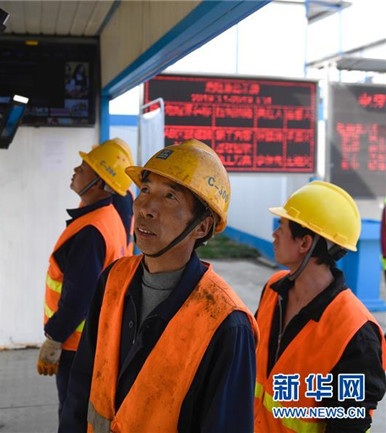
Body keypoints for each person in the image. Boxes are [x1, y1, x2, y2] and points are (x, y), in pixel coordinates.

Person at [60, 139, 259, 432]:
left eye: (170, 196)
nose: (146, 207)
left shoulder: (226, 323)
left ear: (202, 226)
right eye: (145, 189)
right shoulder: (114, 279)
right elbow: (81, 384)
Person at [254, 181, 386, 432]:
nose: (274, 234)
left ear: (305, 243)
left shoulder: (356, 331)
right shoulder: (273, 289)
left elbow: (349, 425)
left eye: (281, 226)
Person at [38, 139, 133, 420]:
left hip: (76, 347)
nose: (76, 169)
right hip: (93, 341)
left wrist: (54, 338)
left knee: (73, 418)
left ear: (100, 183)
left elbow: (78, 298)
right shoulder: (108, 217)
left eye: (84, 167)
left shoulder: (91, 232)